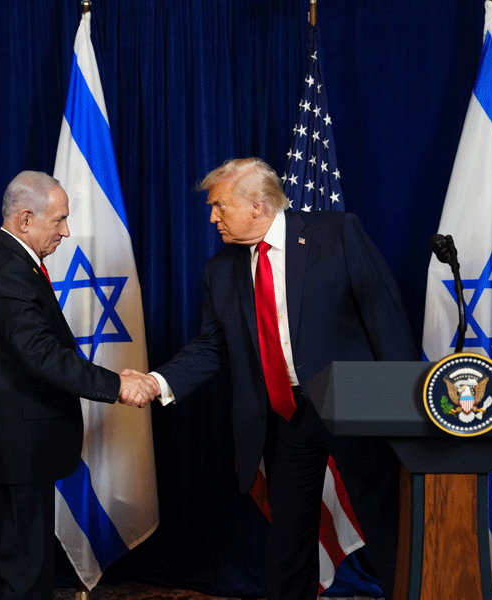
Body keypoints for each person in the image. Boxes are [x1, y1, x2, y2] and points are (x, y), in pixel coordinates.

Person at [133, 158, 417, 600]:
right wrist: (156, 382)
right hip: (285, 416)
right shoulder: (220, 270)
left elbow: (386, 323)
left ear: (258, 205)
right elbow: (211, 346)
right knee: (288, 540)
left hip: (356, 406)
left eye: (219, 207)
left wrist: (403, 410)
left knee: (385, 527)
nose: (212, 217)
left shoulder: (337, 234)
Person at [0, 171, 153, 600]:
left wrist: (115, 380)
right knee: (24, 577)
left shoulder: (2, 262)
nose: (66, 230)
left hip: (5, 446)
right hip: (12, 448)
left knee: (3, 564)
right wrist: (117, 385)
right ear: (25, 220)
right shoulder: (8, 272)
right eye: (58, 220)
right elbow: (41, 356)